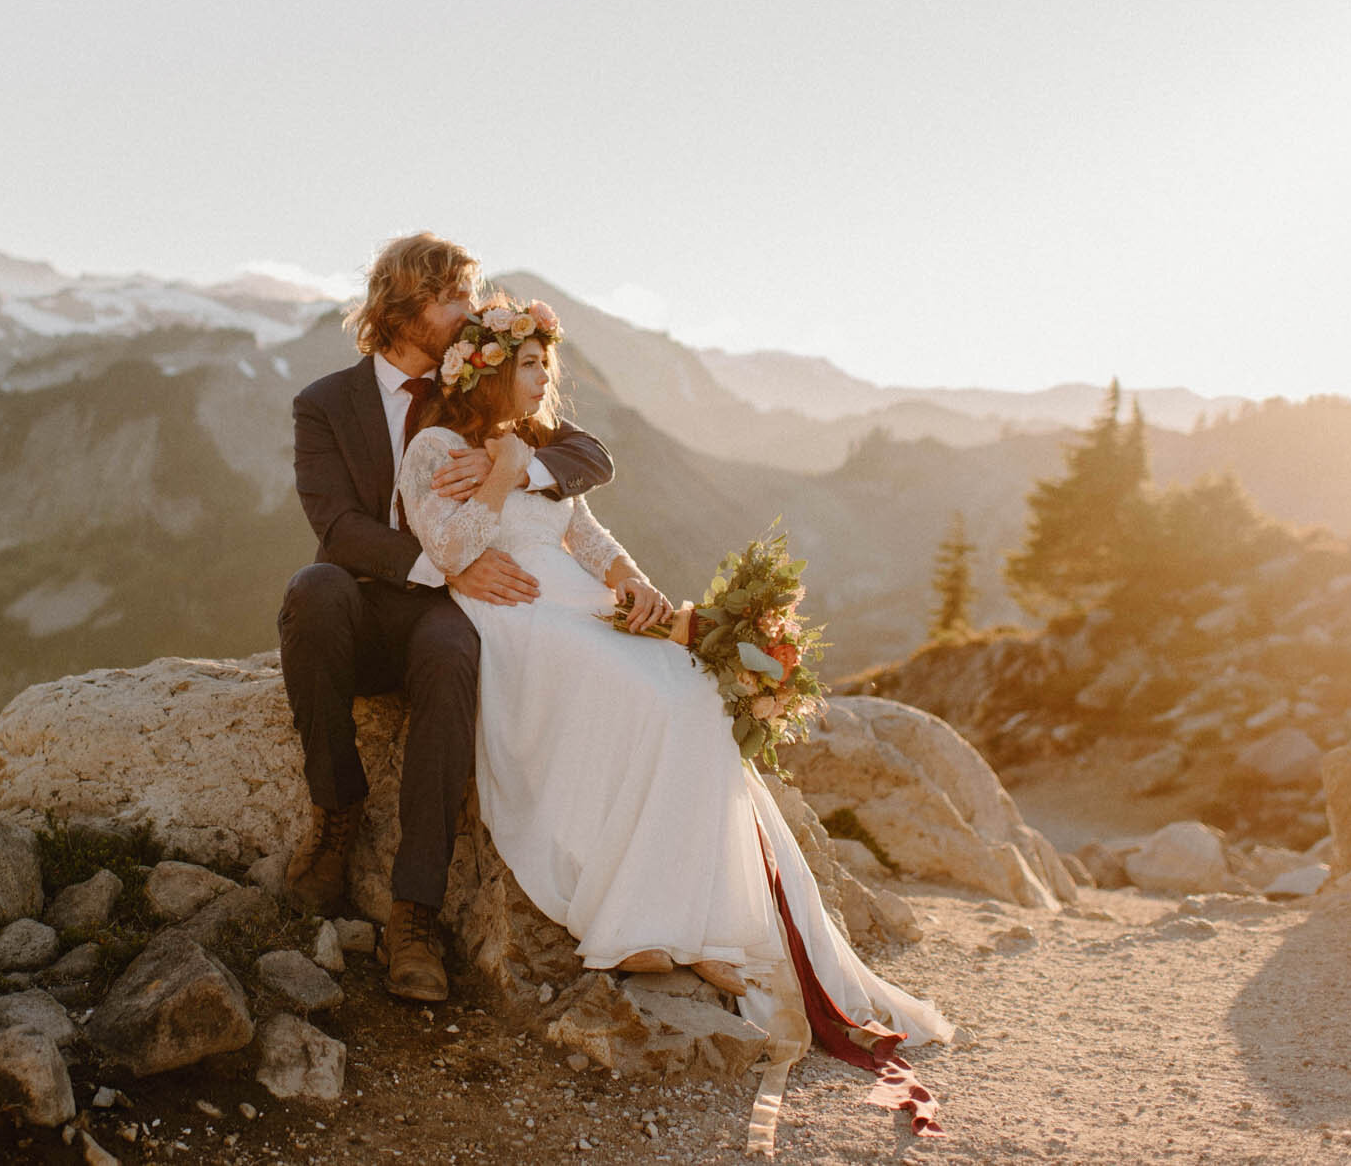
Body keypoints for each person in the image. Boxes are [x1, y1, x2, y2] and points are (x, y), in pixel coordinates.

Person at [396, 298, 953, 1133]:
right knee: (634, 694)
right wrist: (503, 471)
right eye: (529, 364)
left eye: (547, 365)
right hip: (514, 614)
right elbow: (450, 551)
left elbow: (587, 534)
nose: (544, 379)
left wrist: (635, 583)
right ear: (483, 371)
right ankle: (631, 923)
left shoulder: (547, 452)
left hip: (578, 601)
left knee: (687, 687)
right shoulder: (435, 449)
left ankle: (689, 915)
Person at [277, 233, 613, 1003]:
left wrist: (518, 466)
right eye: (452, 297)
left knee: (451, 651)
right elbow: (338, 523)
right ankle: (336, 816)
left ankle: (416, 911)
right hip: (369, 596)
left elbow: (591, 454)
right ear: (402, 308)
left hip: (448, 612)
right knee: (314, 587)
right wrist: (445, 561)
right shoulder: (324, 404)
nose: (468, 311)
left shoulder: (474, 386)